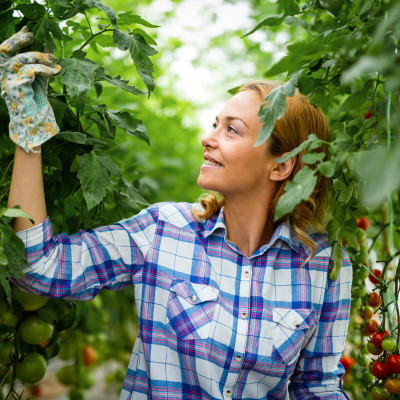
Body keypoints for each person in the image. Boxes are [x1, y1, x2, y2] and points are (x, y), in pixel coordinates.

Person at [3, 27, 352, 399]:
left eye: (231, 130)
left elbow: (316, 386)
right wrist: (30, 137)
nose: (209, 137)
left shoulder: (324, 264)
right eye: (214, 124)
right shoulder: (164, 230)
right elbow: (40, 268)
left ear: (281, 166)